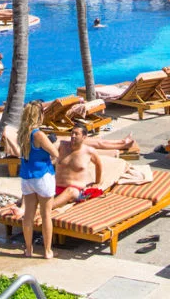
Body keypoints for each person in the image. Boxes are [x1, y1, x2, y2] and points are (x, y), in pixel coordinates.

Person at [17, 101, 60, 258]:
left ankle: (28, 249)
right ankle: (47, 251)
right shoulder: (39, 135)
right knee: (46, 214)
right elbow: (55, 153)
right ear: (39, 115)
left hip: (26, 177)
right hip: (42, 176)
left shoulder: (22, 134)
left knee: (28, 215)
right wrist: (56, 143)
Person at [51, 124, 105, 209]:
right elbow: (50, 148)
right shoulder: (62, 145)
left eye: (76, 134)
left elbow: (98, 164)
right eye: (72, 133)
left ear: (84, 137)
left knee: (71, 191)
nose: (73, 136)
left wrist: (97, 182)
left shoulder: (89, 151)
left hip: (76, 191)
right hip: (56, 188)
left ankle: (44, 209)